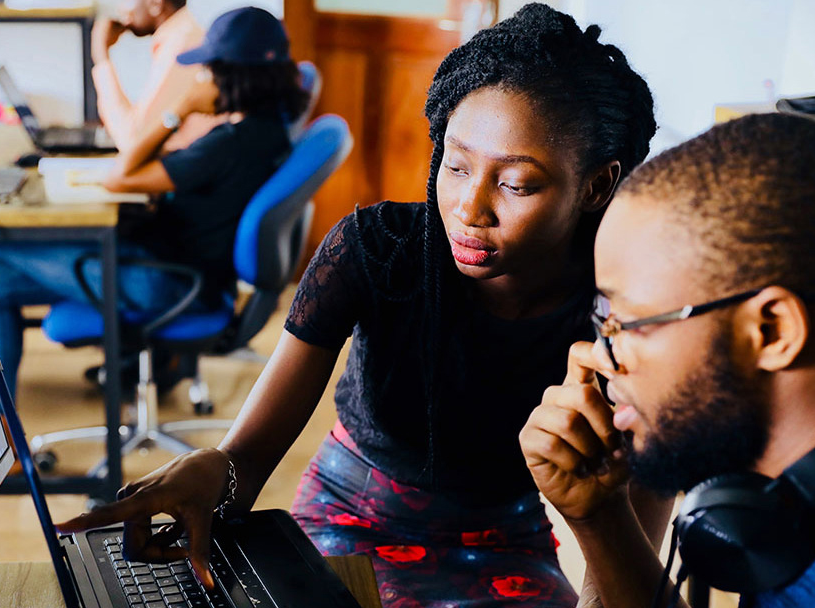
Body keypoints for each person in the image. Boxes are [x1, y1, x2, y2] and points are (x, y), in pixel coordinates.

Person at [59, 4, 663, 606]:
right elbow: (244, 461)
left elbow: (622, 581)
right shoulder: (377, 252)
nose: (468, 209)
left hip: (505, 538)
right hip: (348, 515)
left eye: (516, 184)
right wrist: (217, 471)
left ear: (596, 185)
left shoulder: (629, 315)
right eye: (454, 166)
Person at [520, 113, 815, 608]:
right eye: (603, 321)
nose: (599, 356)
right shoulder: (777, 509)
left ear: (772, 331)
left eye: (628, 324)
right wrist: (599, 518)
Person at [0, 7, 309, 394]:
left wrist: (178, 110)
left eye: (207, 69)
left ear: (232, 76)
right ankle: (3, 423)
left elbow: (120, 175)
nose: (199, 77)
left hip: (165, 282)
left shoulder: (228, 145)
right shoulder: (269, 131)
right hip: (184, 273)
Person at [92, 0, 221, 152]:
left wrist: (101, 56)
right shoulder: (179, 37)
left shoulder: (181, 46)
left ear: (155, 4)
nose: (120, 10)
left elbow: (134, 142)